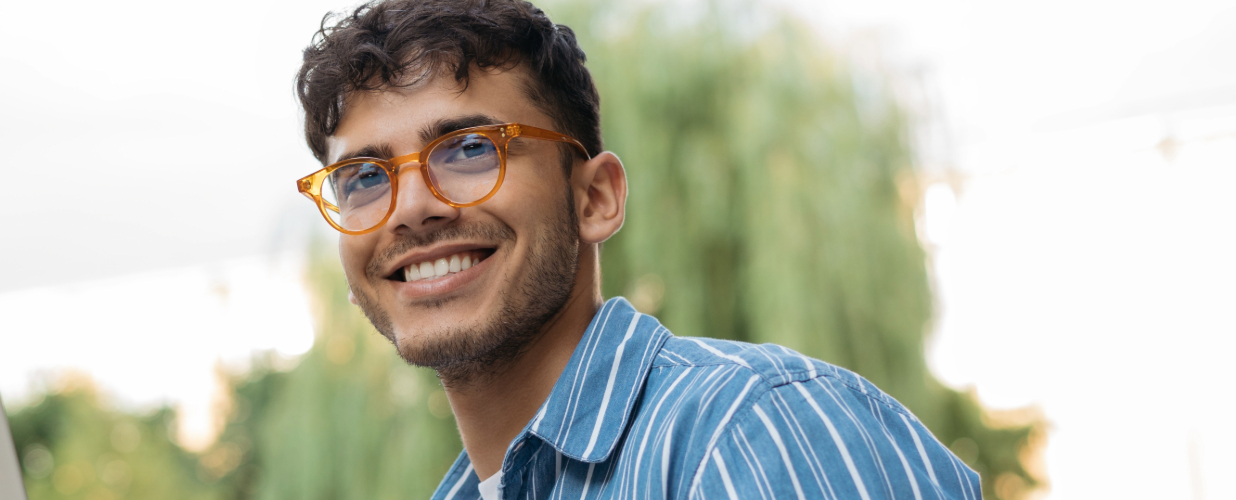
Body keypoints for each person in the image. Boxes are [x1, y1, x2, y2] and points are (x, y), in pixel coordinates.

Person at [290, 1, 980, 498]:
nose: (411, 208)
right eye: (363, 179)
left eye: (470, 149)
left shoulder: (750, 430)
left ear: (595, 198)